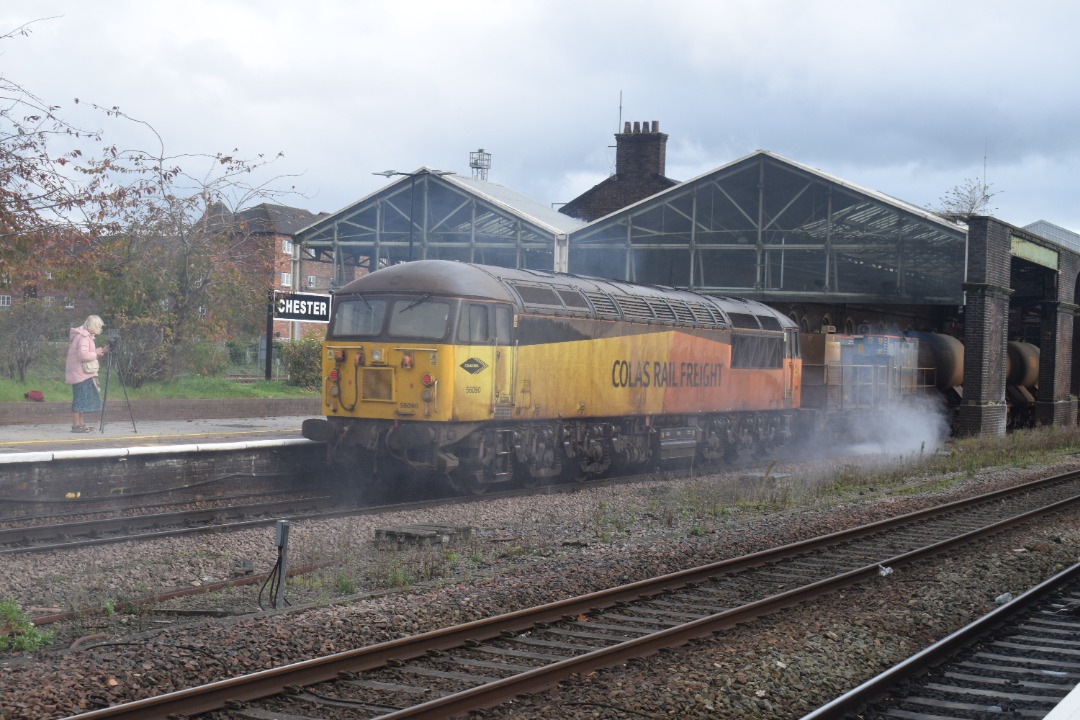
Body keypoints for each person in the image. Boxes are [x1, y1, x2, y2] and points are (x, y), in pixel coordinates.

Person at [65, 315, 108, 433]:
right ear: (93, 325)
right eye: (98, 325)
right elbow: (83, 355)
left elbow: (86, 352)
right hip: (80, 373)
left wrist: (101, 350)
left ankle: (80, 424)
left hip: (80, 372)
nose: (99, 328)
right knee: (79, 399)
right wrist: (97, 354)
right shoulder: (84, 337)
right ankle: (76, 425)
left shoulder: (85, 336)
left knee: (81, 399)